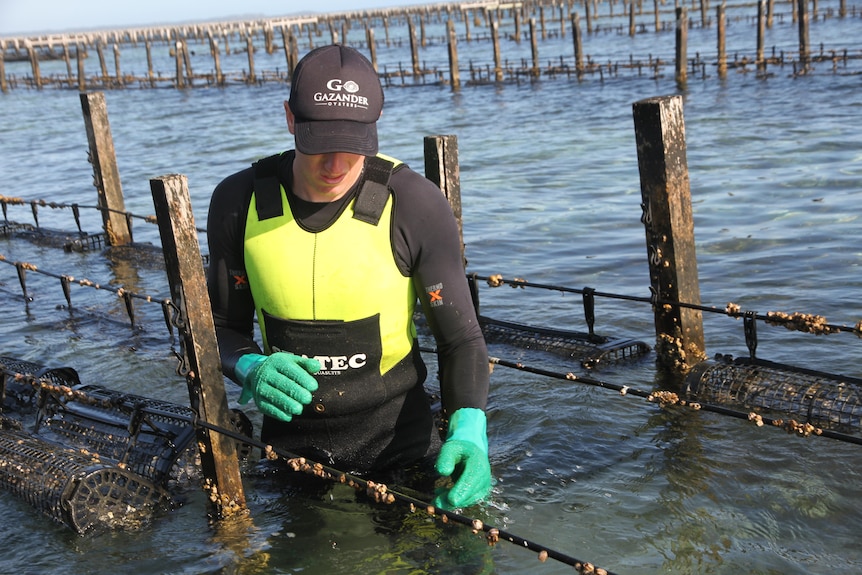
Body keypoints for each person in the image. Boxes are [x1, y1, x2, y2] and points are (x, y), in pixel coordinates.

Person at [206, 44, 491, 509]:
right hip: (290, 454)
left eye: (353, 145)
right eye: (320, 145)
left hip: (401, 446)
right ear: (290, 120)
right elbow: (220, 329)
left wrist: (470, 430)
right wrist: (250, 368)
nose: (336, 166)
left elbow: (461, 340)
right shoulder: (240, 201)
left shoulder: (414, 203)